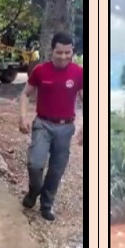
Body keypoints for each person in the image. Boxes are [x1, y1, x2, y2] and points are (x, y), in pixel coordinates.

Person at [19, 32, 85, 221]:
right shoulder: (41, 70)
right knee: (35, 163)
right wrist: (22, 117)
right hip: (43, 124)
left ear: (72, 51)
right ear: (52, 50)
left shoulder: (79, 73)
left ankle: (46, 205)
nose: (64, 57)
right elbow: (25, 95)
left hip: (66, 128)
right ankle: (34, 191)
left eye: (68, 52)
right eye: (59, 52)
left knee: (56, 170)